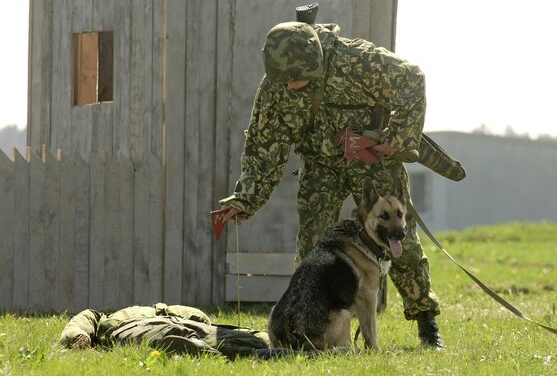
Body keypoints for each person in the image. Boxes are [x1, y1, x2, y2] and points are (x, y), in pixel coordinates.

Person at [219, 20, 445, 349]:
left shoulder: (357, 62)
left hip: (372, 161)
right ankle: (310, 329)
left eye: (300, 78)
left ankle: (427, 323)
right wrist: (245, 199)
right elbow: (263, 149)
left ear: (317, 60)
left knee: (401, 242)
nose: (293, 85)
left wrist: (393, 140)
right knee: (313, 249)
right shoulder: (274, 87)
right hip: (322, 165)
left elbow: (413, 80)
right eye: (287, 80)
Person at [59, 303, 269, 359]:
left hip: (181, 321)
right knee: (165, 336)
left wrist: (260, 335)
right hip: (134, 328)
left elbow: (211, 325)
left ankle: (266, 347)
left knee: (238, 338)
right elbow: (80, 324)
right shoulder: (104, 319)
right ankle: (256, 351)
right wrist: (80, 339)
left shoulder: (110, 318)